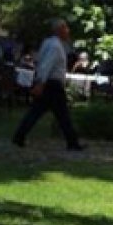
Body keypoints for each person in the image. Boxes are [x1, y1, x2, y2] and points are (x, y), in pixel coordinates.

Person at [12, 18, 82, 151]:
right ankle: (73, 142)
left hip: (48, 83)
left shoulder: (47, 43)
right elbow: (47, 65)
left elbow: (39, 61)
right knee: (62, 115)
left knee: (38, 112)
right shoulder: (56, 46)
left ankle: (19, 136)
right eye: (66, 28)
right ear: (60, 30)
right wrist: (41, 83)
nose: (68, 31)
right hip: (52, 84)